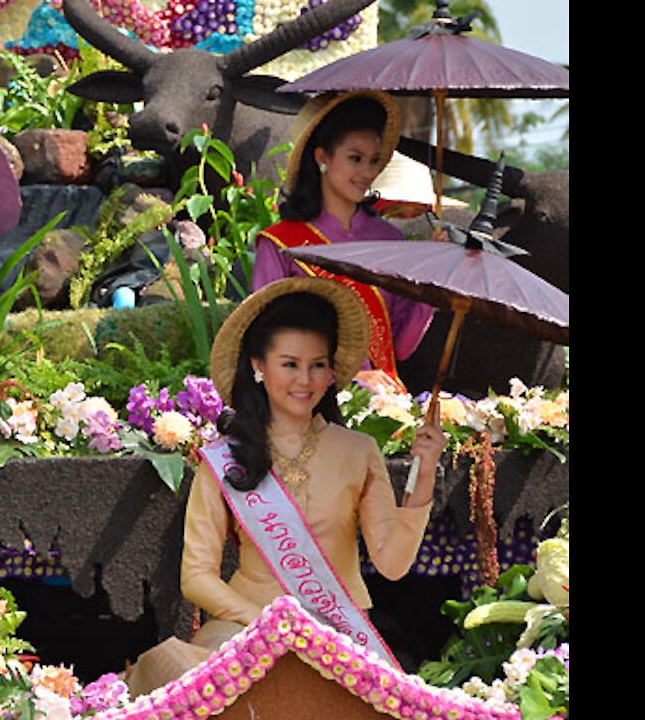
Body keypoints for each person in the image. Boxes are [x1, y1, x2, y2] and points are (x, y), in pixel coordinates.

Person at [124, 277, 444, 694]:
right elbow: (197, 576)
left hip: (338, 634)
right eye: (289, 364)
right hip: (242, 631)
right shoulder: (224, 458)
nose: (304, 380)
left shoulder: (358, 451)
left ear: (331, 371)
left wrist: (425, 475)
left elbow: (392, 564)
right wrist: (267, 625)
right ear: (258, 365)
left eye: (317, 365)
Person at [252, 90, 435, 394]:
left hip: (387, 407)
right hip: (308, 404)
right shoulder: (280, 243)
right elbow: (266, 342)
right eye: (355, 159)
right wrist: (351, 378)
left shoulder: (390, 240)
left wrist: (430, 289)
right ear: (322, 158)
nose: (367, 172)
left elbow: (401, 349)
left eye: (374, 161)